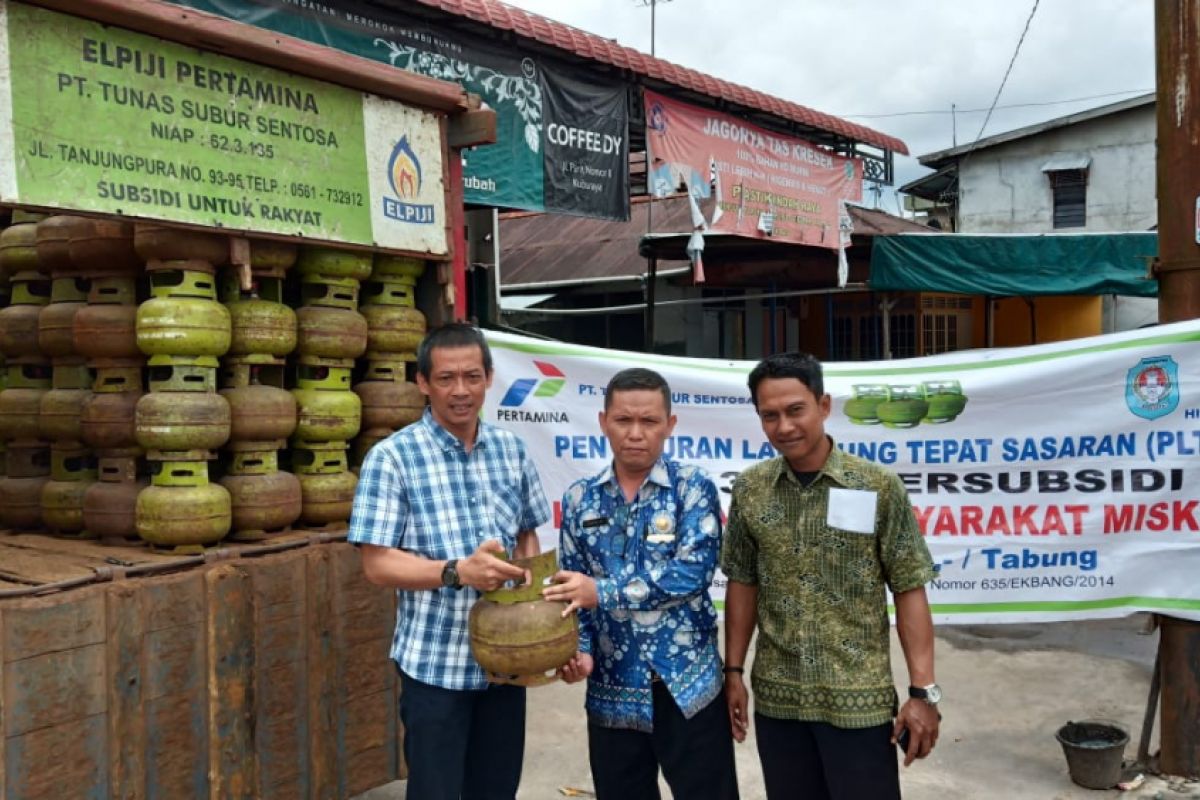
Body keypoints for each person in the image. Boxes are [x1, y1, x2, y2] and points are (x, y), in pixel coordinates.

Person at [721, 352, 940, 800]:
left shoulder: (876, 486)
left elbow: (908, 586)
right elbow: (743, 581)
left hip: (859, 699)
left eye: (795, 410)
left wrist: (923, 692)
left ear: (823, 405)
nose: (784, 426)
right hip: (779, 699)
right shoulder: (750, 489)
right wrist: (733, 670)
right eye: (770, 415)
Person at [348, 322, 550, 800]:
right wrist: (457, 571)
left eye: (472, 376)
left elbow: (527, 535)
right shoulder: (392, 458)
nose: (461, 391)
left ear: (489, 377)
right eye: (446, 378)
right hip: (435, 666)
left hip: (505, 663)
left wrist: (532, 615)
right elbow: (376, 564)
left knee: (496, 789)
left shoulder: (511, 449)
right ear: (423, 382)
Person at [543, 368, 739, 800]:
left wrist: (604, 591)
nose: (635, 434)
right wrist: (580, 652)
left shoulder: (692, 487)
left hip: (687, 685)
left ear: (669, 425)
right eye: (623, 421)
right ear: (603, 422)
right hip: (612, 691)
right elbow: (573, 589)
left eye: (649, 422)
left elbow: (693, 572)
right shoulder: (580, 499)